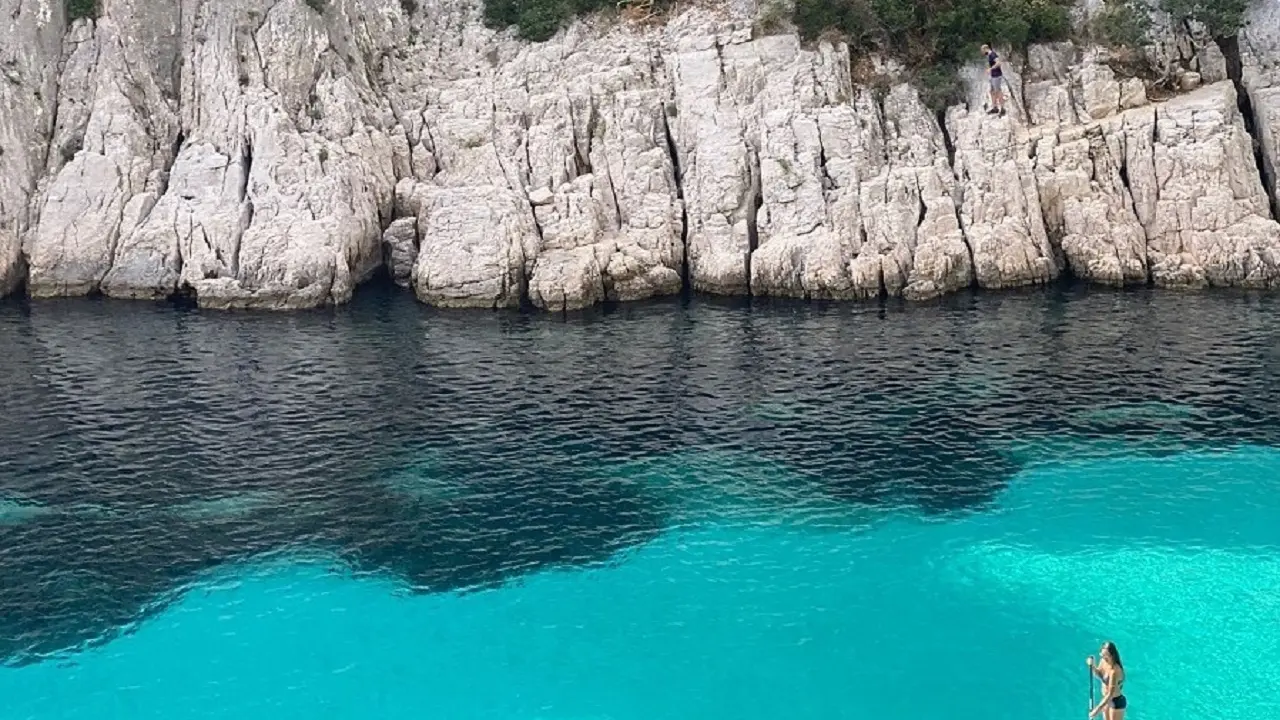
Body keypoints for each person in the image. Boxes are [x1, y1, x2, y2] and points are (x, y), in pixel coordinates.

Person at [1087, 641, 1127, 720]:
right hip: (1106, 700)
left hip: (1115, 702)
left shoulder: (1114, 671)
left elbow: (1110, 694)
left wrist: (1096, 710)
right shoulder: (1103, 661)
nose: (1103, 658)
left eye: (1106, 657)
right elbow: (1100, 675)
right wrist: (1092, 666)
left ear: (1112, 655)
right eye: (1102, 655)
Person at [981, 43, 1006, 116]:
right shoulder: (989, 55)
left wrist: (991, 69)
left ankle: (1002, 108)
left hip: (997, 76)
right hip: (993, 76)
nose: (982, 52)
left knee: (998, 91)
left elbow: (998, 63)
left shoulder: (992, 54)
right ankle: (995, 107)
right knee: (992, 91)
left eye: (982, 50)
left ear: (985, 49)